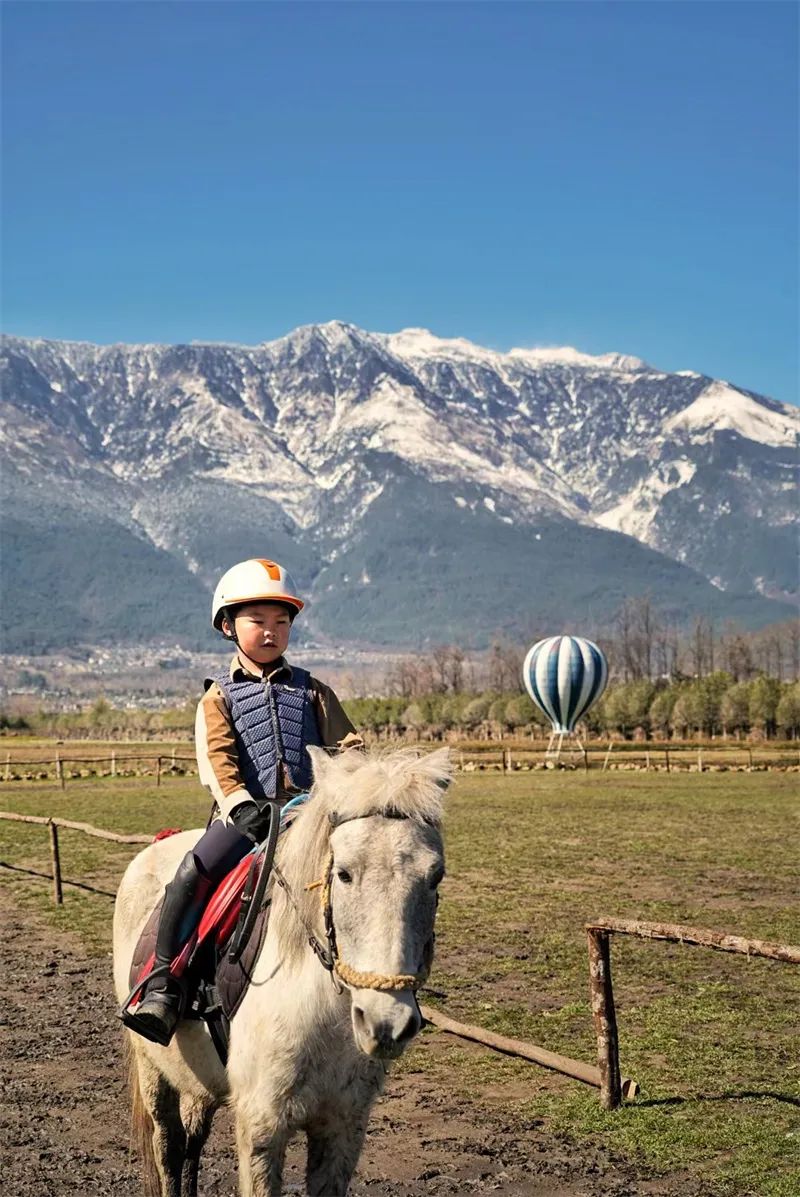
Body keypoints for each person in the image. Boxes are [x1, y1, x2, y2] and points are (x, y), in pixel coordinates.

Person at [123, 557, 361, 1046]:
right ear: (229, 626)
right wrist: (238, 804)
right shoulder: (219, 697)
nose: (271, 632)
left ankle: (384, 986)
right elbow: (216, 759)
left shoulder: (314, 691)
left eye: (282, 622)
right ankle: (164, 981)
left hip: (309, 816)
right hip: (246, 818)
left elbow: (349, 746)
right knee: (192, 870)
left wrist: (358, 778)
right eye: (258, 621)